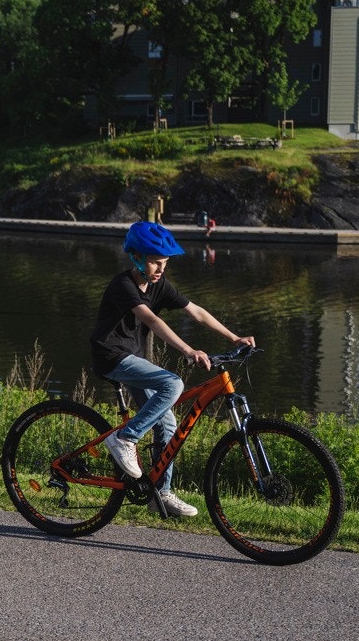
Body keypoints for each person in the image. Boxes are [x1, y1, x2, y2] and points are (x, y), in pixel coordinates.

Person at [89, 221, 254, 518]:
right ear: (137, 257)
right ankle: (125, 438)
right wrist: (189, 350)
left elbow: (197, 311)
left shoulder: (158, 285)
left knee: (166, 423)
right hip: (111, 356)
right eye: (155, 262)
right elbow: (152, 321)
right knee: (173, 384)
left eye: (164, 263)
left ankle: (160, 495)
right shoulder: (123, 285)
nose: (161, 269)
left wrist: (234, 337)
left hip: (133, 358)